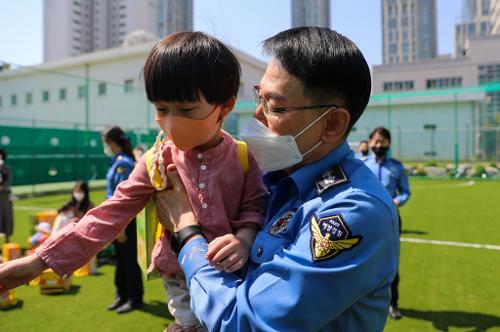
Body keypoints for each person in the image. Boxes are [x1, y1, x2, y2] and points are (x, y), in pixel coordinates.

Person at [0, 32, 267, 331]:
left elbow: (254, 204)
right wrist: (38, 262)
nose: (170, 122)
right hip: (179, 278)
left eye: (186, 110)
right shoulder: (155, 161)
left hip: (235, 272)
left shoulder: (245, 156)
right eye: (161, 109)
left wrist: (243, 239)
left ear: (225, 106)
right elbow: (108, 214)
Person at [151, 27, 400, 331]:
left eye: (275, 106)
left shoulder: (353, 211)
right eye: (259, 97)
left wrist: (186, 232)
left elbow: (246, 322)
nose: (257, 115)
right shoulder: (275, 180)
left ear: (332, 124)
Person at [364, 126, 411, 320]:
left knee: (391, 262)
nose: (378, 144)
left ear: (389, 144)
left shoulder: (397, 167)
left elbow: (406, 191)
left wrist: (397, 201)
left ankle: (393, 304)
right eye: (375, 141)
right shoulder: (362, 164)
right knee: (363, 259)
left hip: (390, 220)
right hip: (365, 220)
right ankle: (361, 302)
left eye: (382, 141)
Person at [101, 126, 144, 314]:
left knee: (129, 261)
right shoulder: (117, 161)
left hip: (124, 221)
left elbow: (124, 200)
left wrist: (121, 228)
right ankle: (122, 294)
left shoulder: (123, 164)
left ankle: (134, 298)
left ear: (111, 142)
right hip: (117, 220)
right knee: (120, 259)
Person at [0, 148, 13, 243]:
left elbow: (8, 181)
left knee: (7, 216)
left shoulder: (6, 169)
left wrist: (2, 187)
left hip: (5, 196)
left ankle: (7, 241)